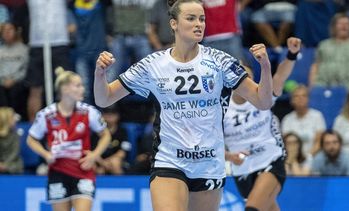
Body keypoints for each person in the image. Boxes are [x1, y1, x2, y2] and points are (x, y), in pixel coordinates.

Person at [94, 0, 273, 210]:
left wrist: (265, 67)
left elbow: (263, 101)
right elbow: (103, 99)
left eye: (202, 19)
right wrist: (100, 74)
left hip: (208, 163)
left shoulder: (220, 62)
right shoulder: (153, 64)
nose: (199, 24)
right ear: (173, 24)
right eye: (191, 18)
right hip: (169, 160)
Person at [223, 37, 301, 211]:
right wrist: (229, 157)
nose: (244, 83)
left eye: (247, 78)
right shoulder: (222, 107)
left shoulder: (262, 94)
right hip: (242, 169)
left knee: (253, 208)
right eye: (239, 79)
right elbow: (209, 144)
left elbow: (280, 76)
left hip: (270, 160)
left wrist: (291, 54)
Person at [27, 67, 111, 211]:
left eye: (82, 85)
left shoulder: (89, 112)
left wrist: (94, 155)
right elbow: (31, 139)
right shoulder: (46, 115)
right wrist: (46, 154)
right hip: (57, 172)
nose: (82, 89)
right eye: (78, 85)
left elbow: (106, 135)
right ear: (65, 89)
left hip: (83, 171)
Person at [309, 12, 349, 90]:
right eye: (340, 23)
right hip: (324, 86)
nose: (343, 26)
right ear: (334, 27)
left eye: (347, 24)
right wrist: (312, 84)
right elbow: (315, 66)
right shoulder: (323, 45)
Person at [281, 85, 326, 156]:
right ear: (292, 100)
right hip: (293, 157)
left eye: (303, 96)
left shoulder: (317, 116)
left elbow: (319, 142)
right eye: (296, 96)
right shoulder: (287, 119)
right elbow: (287, 144)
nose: (300, 98)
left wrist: (308, 158)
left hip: (313, 156)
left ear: (308, 99)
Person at [93, 104, 131, 175]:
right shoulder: (97, 132)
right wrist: (102, 163)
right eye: (107, 113)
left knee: (115, 162)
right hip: (99, 161)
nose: (109, 116)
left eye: (113, 114)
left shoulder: (122, 131)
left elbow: (122, 152)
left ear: (118, 116)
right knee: (92, 166)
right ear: (102, 115)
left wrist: (108, 162)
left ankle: (121, 185)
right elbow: (92, 151)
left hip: (115, 160)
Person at [0, 107, 24, 174]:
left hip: (12, 164)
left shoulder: (15, 135)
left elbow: (14, 153)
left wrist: (5, 165)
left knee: (17, 165)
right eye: (12, 117)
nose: (15, 119)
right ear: (5, 120)